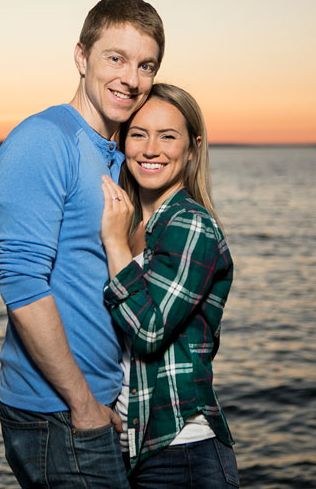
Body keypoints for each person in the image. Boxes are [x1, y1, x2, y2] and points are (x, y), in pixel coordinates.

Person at [0, 0, 164, 487]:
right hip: (57, 413)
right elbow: (23, 286)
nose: (131, 78)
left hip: (98, 403)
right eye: (116, 58)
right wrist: (82, 403)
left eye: (145, 65)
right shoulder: (44, 140)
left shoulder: (113, 152)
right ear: (81, 56)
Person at [100, 84, 239, 488]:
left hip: (184, 452)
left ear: (193, 147)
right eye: (138, 133)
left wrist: (112, 242)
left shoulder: (190, 224)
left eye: (168, 136)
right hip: (133, 446)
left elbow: (148, 333)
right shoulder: (129, 222)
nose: (150, 149)